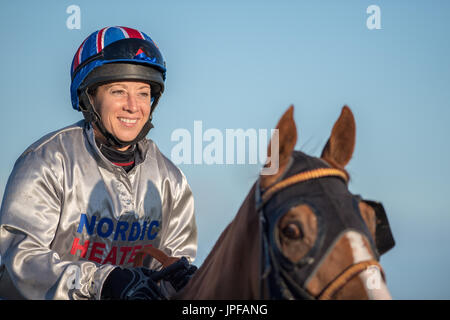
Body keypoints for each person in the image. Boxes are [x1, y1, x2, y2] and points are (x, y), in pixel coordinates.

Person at [0, 26, 198, 300]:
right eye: (118, 91)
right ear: (89, 97)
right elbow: (22, 258)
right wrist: (103, 282)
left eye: (143, 93)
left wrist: (185, 283)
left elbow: (170, 270)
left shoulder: (170, 180)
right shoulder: (46, 161)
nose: (133, 106)